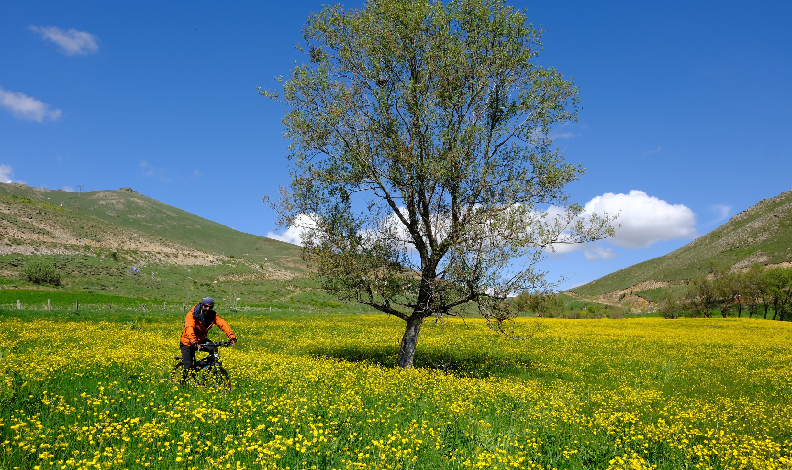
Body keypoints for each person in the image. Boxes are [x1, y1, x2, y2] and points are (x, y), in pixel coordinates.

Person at [180, 298, 237, 377]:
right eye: (206, 306)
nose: (208, 309)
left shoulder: (212, 315)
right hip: (188, 342)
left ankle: (204, 369)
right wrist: (194, 341)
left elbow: (222, 324)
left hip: (201, 340)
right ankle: (183, 385)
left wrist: (231, 336)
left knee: (214, 349)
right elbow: (189, 327)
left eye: (210, 307)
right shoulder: (193, 314)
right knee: (188, 368)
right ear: (202, 305)